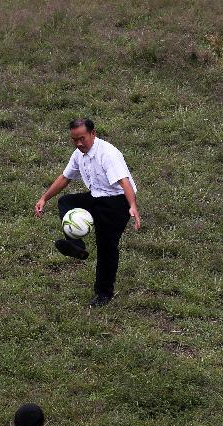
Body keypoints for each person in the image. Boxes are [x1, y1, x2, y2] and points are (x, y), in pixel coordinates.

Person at [34, 118, 141, 307]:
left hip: (117, 203)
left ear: (93, 134)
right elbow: (65, 177)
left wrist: (133, 205)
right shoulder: (78, 154)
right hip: (97, 197)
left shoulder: (108, 154)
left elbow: (124, 181)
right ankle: (76, 246)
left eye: (82, 138)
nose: (79, 143)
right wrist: (44, 198)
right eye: (74, 140)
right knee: (66, 201)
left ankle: (103, 294)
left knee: (106, 247)